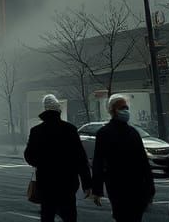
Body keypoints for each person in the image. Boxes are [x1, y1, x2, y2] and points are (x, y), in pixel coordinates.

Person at [24, 93, 92, 222]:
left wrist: (42, 163)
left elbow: (29, 156)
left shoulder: (36, 131)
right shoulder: (70, 129)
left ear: (45, 109)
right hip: (68, 182)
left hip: (46, 182)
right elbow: (81, 158)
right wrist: (87, 184)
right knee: (69, 216)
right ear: (58, 109)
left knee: (47, 215)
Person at [91, 94, 155, 222]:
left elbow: (143, 162)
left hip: (135, 185)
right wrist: (97, 190)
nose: (125, 111)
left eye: (126, 107)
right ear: (112, 110)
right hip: (118, 185)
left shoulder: (133, 132)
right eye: (122, 108)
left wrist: (150, 187)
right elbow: (98, 162)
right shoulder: (105, 134)